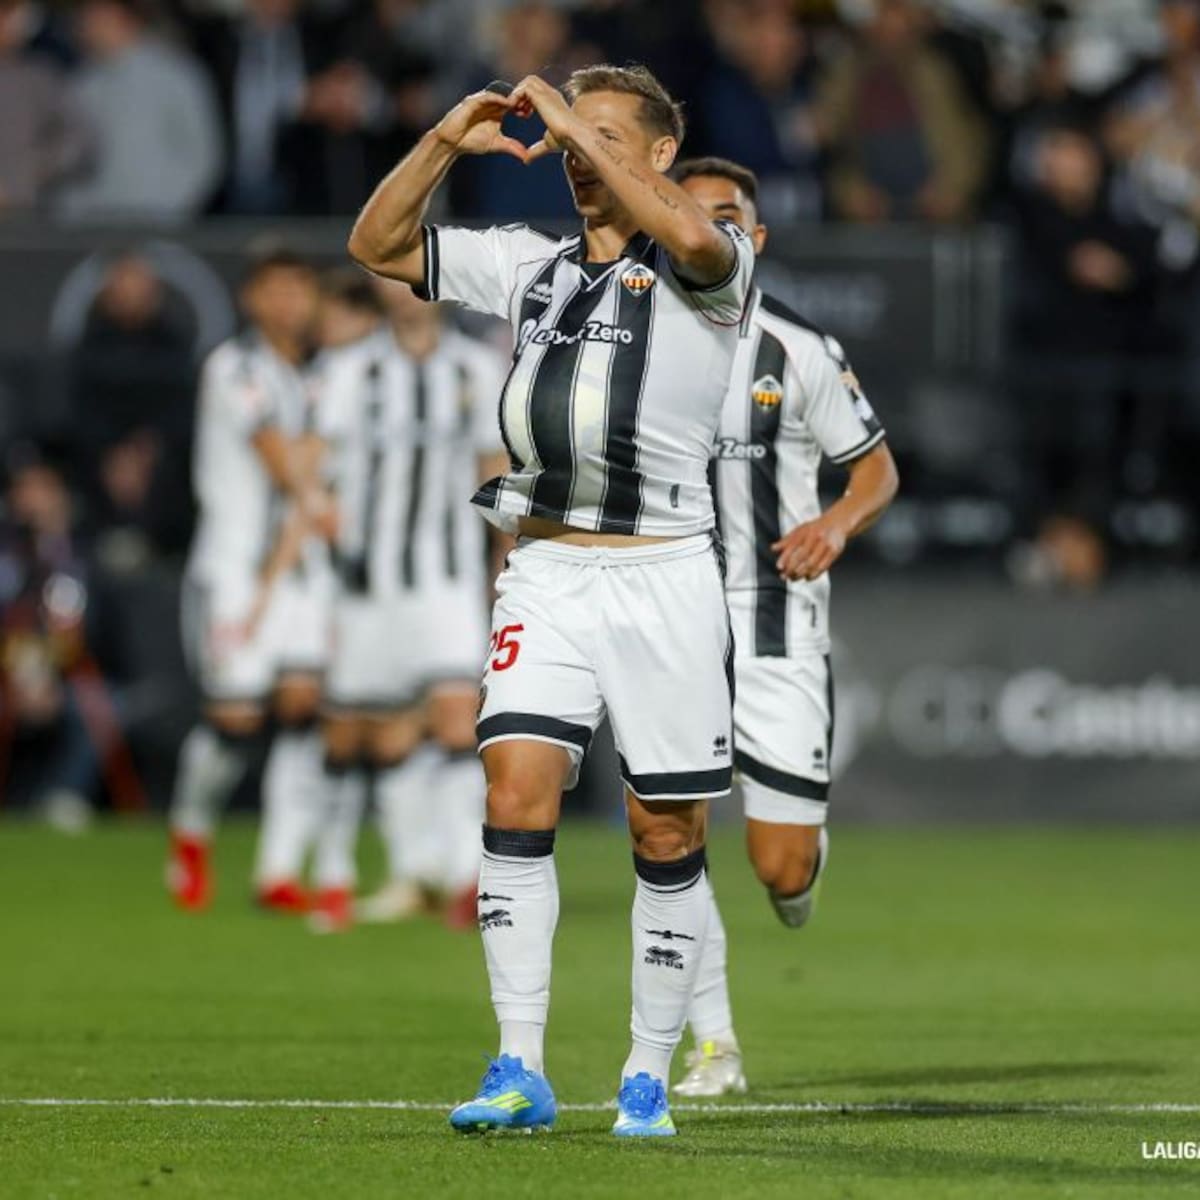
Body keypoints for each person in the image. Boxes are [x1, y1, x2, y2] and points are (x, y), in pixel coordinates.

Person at [348, 64, 755, 1137]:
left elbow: (699, 237)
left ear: (661, 155)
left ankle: (646, 1075)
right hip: (547, 570)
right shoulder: (531, 265)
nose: (577, 155)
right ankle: (519, 1064)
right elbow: (378, 247)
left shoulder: (709, 262)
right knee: (515, 794)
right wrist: (443, 139)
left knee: (665, 831)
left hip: (664, 572)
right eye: (571, 140)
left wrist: (567, 113)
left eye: (607, 138)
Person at [671, 157, 899, 1096]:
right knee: (669, 837)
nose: (711, 227)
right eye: (690, 211)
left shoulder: (798, 347)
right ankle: (713, 1045)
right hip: (670, 625)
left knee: (780, 868)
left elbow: (876, 471)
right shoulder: (629, 339)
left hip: (776, 629)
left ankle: (801, 860)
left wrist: (833, 522)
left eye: (730, 215)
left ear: (754, 239)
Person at [316, 276, 508, 933]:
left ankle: (466, 877)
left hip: (447, 581)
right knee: (377, 735)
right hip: (369, 588)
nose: (410, 288)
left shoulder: (478, 369)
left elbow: (493, 473)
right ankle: (402, 871)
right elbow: (319, 466)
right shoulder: (350, 370)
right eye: (395, 275)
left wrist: (502, 570)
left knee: (458, 721)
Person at [167, 248, 334, 913]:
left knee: (302, 710)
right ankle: (191, 829)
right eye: (278, 290)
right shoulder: (233, 368)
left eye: (302, 289)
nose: (292, 303)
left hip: (303, 572)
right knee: (235, 720)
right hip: (235, 569)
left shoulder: (319, 375)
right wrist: (332, 464)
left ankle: (279, 868)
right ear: (252, 299)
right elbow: (283, 463)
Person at [57, 0, 222, 223]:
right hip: (94, 227)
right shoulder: (80, 84)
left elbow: (204, 155)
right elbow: (69, 159)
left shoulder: (177, 75)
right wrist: (76, 210)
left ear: (125, 19)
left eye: (97, 16)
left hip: (161, 225)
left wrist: (171, 208)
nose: (86, 26)